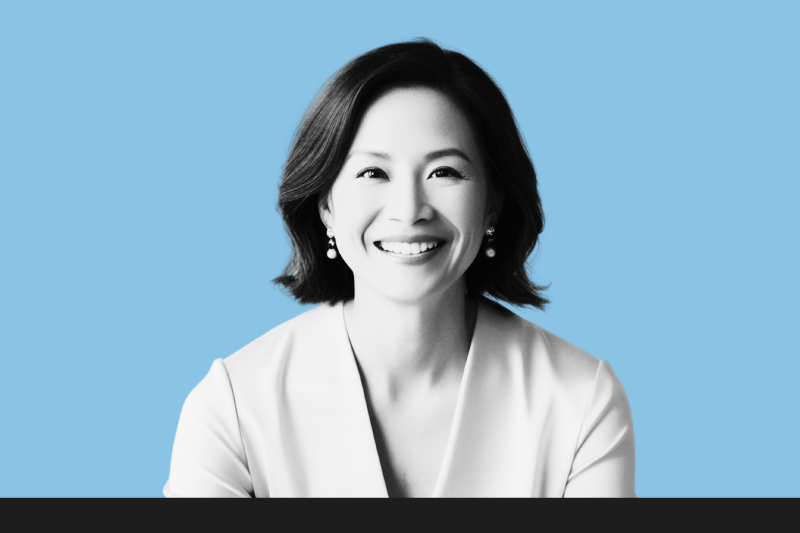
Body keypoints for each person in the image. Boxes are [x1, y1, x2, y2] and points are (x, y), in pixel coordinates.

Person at [163, 39, 636, 497]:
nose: (409, 211)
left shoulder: (580, 399)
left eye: (444, 172)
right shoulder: (233, 406)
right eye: (373, 173)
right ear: (325, 203)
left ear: (492, 204)